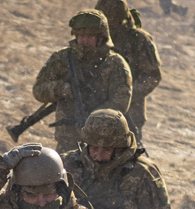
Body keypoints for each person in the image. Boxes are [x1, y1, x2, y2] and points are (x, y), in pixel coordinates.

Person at [33, 10, 133, 153]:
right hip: (68, 139)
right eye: (80, 36)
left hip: (103, 144)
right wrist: (61, 89)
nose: (83, 41)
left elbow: (121, 102)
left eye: (89, 36)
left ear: (101, 37)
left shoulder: (115, 63)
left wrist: (94, 121)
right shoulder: (62, 58)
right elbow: (38, 90)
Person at [94, 0, 162, 139]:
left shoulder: (139, 39)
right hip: (92, 109)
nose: (111, 27)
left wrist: (126, 96)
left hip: (129, 115)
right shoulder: (93, 37)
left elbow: (152, 75)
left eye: (114, 22)